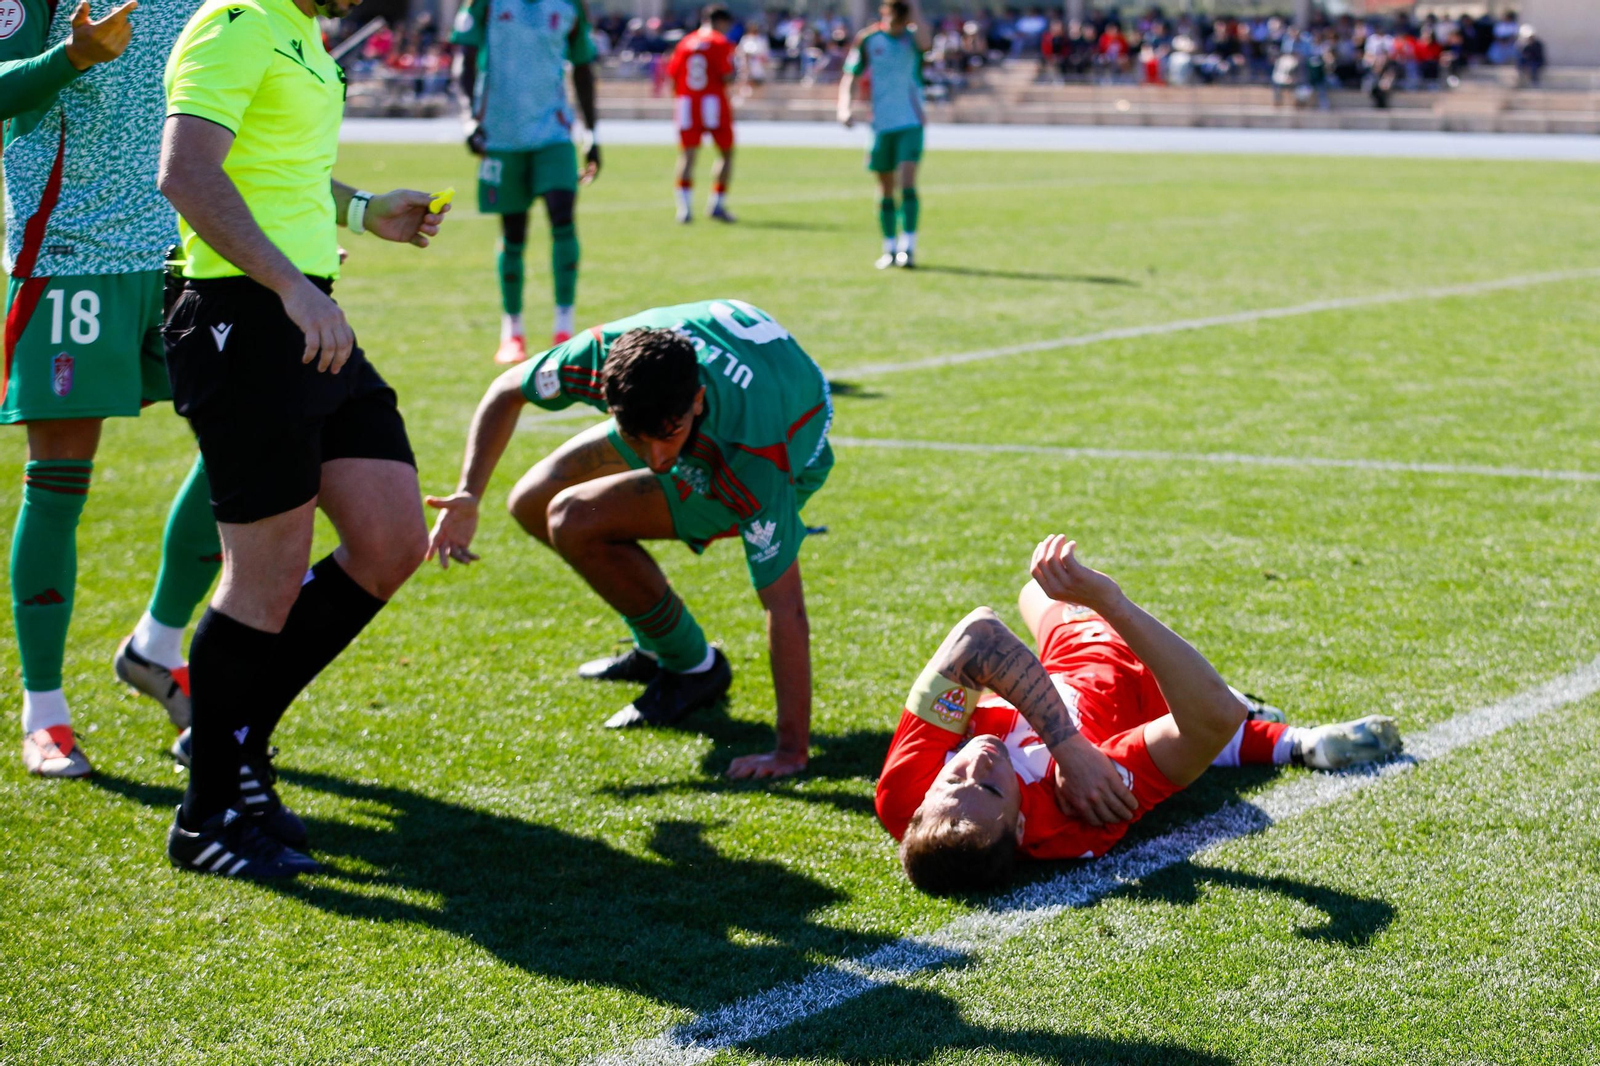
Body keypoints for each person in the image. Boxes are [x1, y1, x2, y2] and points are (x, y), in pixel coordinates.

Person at [156, 0, 449, 877]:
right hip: (243, 320)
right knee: (265, 580)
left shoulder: (295, 28)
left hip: (301, 317)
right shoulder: (235, 21)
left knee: (394, 540)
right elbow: (186, 172)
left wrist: (361, 212)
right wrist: (291, 284)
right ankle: (206, 815)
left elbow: (274, 166)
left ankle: (239, 742)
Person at [426, 299, 831, 779]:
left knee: (573, 518)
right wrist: (469, 493)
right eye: (637, 438)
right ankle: (661, 649)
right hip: (712, 404)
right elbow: (505, 390)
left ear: (696, 401)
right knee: (531, 501)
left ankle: (691, 668)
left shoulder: (752, 457)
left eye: (668, 435)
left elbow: (785, 607)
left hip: (781, 449)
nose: (657, 459)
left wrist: (790, 751)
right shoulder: (597, 355)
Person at [876, 536, 1404, 894]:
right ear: (1018, 825)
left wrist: (1068, 745)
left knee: (1034, 591)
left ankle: (1287, 738)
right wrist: (1112, 602)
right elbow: (1211, 718)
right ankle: (1290, 740)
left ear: (919, 806)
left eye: (952, 778)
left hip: (1072, 670)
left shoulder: (904, 795)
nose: (976, 762)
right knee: (1208, 725)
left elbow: (979, 633)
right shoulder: (1079, 813)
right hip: (1103, 654)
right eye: (990, 788)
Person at [1, 0, 229, 777]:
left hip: (186, 251)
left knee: (242, 445)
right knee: (59, 482)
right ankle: (45, 713)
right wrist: (72, 58)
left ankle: (157, 647)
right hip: (71, 253)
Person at [452, 0, 601, 365]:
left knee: (562, 214)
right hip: (501, 134)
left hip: (555, 131)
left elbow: (583, 68)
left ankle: (565, 328)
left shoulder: (570, 6)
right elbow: (464, 62)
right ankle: (512, 331)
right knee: (514, 231)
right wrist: (469, 119)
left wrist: (592, 132)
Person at [837, 0, 931, 270]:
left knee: (908, 182)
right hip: (880, 124)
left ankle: (908, 247)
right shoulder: (868, 39)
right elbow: (850, 76)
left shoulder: (913, 38)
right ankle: (889, 247)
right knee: (885, 187)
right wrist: (844, 107)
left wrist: (914, 7)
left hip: (910, 121)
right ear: (884, 10)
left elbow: (926, 43)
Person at [667, 6, 738, 224]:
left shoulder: (685, 43)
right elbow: (726, 75)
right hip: (713, 102)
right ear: (722, 22)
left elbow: (672, 77)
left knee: (687, 156)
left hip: (687, 102)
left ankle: (685, 209)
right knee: (725, 154)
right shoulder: (720, 43)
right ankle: (717, 204)